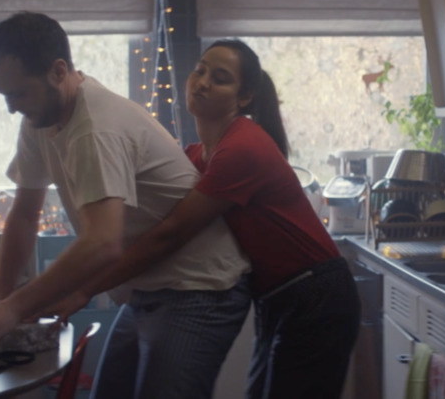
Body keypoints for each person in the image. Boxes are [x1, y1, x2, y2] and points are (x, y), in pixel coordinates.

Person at [0, 12, 252, 399]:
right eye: (5, 95)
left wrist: (14, 309)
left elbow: (102, 242)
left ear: (58, 71)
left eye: (19, 94)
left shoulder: (95, 128)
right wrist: (0, 296)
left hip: (200, 288)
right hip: (147, 286)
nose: (12, 107)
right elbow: (25, 214)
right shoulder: (38, 121)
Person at [44, 39, 361, 399]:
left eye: (220, 78)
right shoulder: (195, 156)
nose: (203, 82)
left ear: (243, 98)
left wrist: (86, 288)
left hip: (315, 292)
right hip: (277, 297)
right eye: (200, 70)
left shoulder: (243, 148)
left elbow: (172, 233)